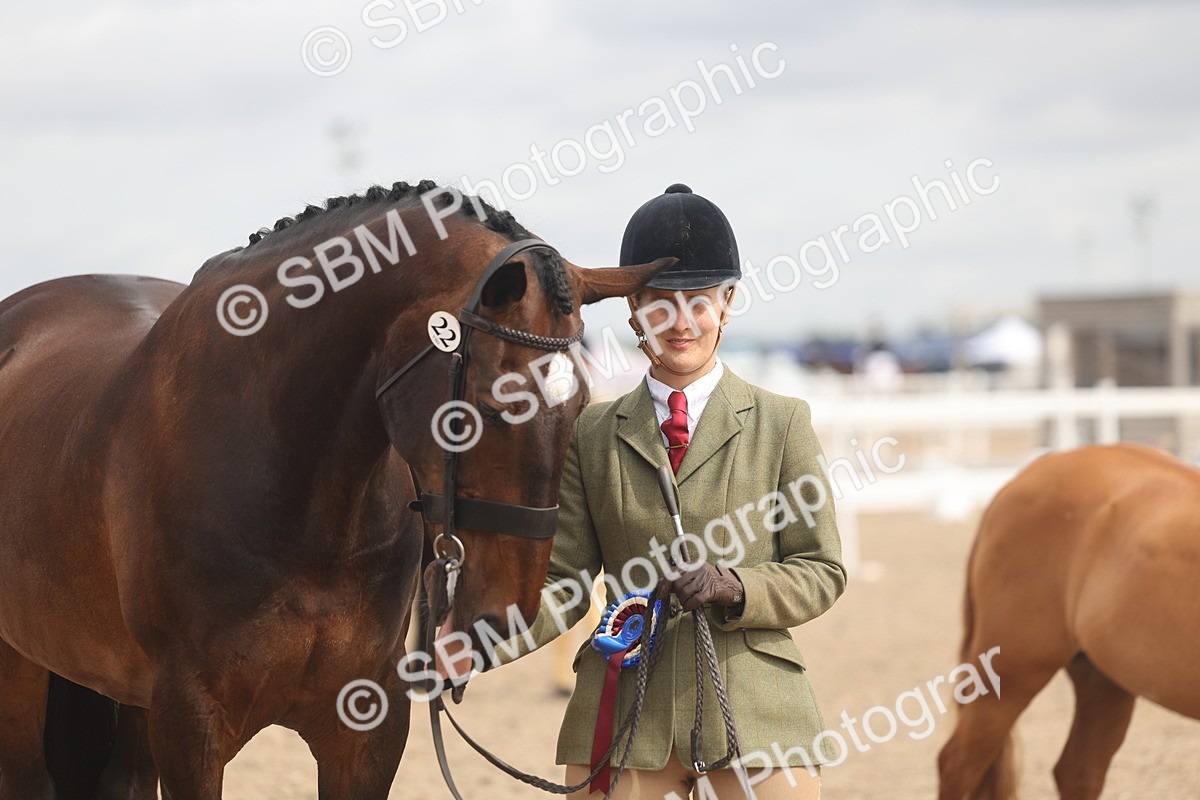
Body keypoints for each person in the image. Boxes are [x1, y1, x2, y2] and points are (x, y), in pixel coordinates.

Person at [500, 184, 846, 799]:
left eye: (700, 303)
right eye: (662, 304)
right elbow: (567, 583)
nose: (682, 323)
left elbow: (820, 569)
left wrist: (739, 585)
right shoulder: (594, 432)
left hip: (756, 705)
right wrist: (477, 644)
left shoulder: (782, 422)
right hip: (626, 706)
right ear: (633, 310)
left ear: (728, 303)